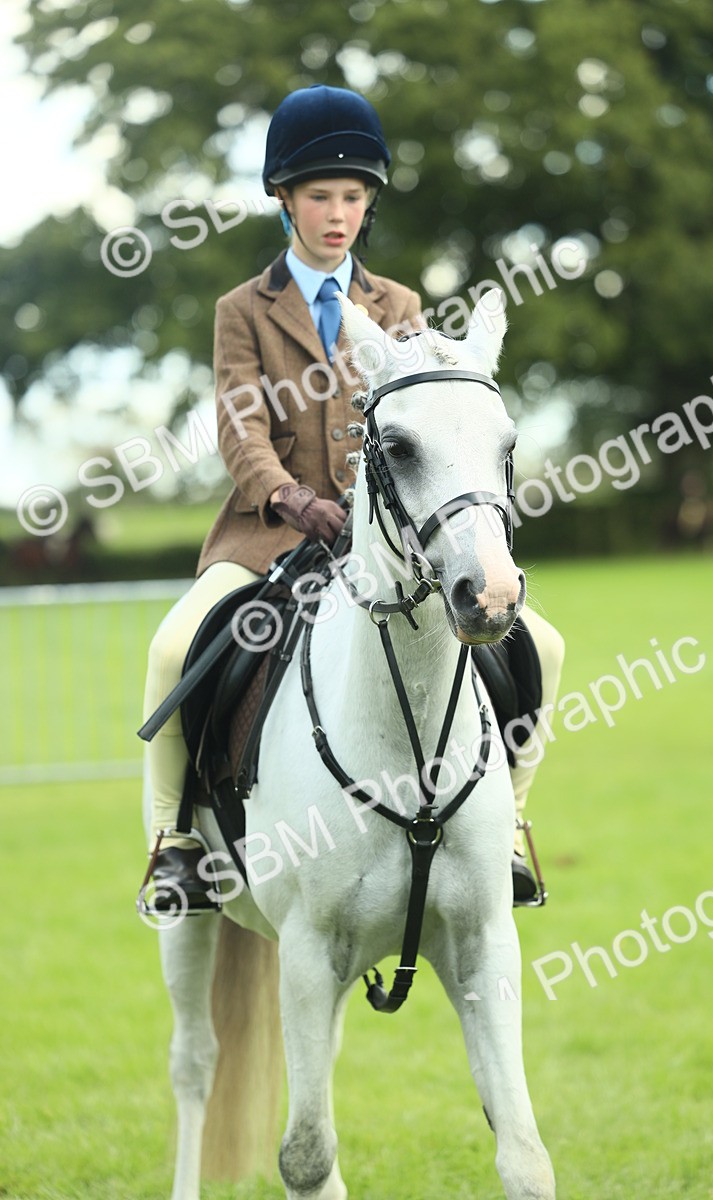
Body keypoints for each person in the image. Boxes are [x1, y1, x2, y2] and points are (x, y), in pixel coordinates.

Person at [143, 84, 552, 909]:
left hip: (387, 540)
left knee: (541, 645)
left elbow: (424, 423)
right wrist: (291, 498)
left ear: (370, 204)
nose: (339, 213)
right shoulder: (241, 312)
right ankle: (177, 840)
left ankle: (506, 825)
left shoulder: (398, 306)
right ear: (284, 200)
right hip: (269, 537)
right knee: (170, 647)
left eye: (354, 197)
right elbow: (239, 427)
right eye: (321, 196)